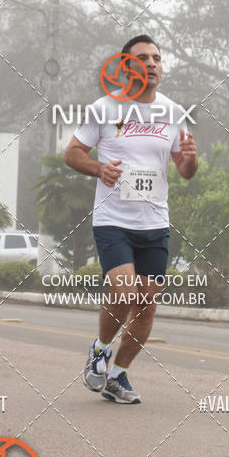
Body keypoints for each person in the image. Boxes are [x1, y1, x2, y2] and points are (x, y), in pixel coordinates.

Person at [64, 35, 198, 404]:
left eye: (156, 58)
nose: (151, 63)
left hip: (154, 223)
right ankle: (100, 349)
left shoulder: (173, 112)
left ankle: (117, 375)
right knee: (124, 293)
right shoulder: (105, 108)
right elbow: (72, 153)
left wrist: (190, 158)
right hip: (114, 220)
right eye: (142, 58)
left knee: (146, 306)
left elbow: (185, 170)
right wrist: (98, 168)